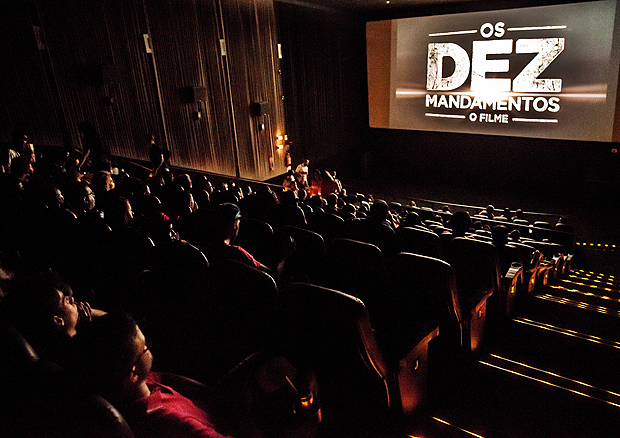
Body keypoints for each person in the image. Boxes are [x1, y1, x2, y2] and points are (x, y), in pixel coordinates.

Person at [69, 312, 234, 438]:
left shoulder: (130, 385)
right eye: (145, 347)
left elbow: (115, 329)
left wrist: (214, 395)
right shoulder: (171, 421)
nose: (149, 345)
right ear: (133, 372)